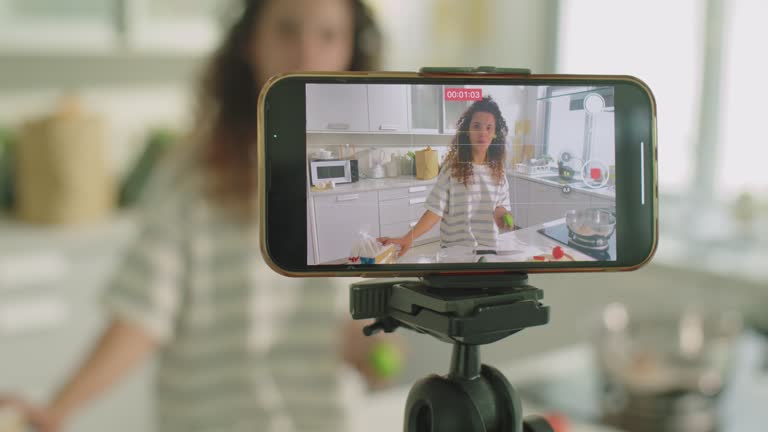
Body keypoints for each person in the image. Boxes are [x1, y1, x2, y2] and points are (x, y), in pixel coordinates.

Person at [0, 0, 391, 431]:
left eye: (328, 35)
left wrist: (375, 352)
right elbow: (142, 313)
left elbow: (376, 341)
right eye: (286, 29)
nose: (306, 51)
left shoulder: (369, 174)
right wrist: (58, 408)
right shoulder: (192, 173)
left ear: (352, 52)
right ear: (249, 43)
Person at [379, 96, 514, 257]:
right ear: (467, 131)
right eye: (476, 126)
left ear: (495, 134)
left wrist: (502, 214)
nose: (482, 133)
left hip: (488, 249)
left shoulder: (498, 172)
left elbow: (501, 205)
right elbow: (436, 210)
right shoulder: (453, 169)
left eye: (489, 128)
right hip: (455, 251)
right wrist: (408, 238)